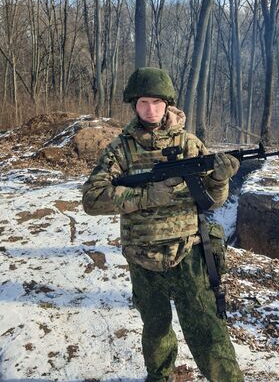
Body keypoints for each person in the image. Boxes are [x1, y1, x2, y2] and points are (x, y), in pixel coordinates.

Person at [82, 67, 244, 382]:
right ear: (134, 104)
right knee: (156, 329)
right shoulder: (120, 149)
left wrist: (220, 179)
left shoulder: (189, 144)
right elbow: (92, 199)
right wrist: (147, 196)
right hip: (142, 257)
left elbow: (211, 201)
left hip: (188, 252)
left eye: (157, 102)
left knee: (208, 329)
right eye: (144, 102)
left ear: (167, 103)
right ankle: (160, 377)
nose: (151, 109)